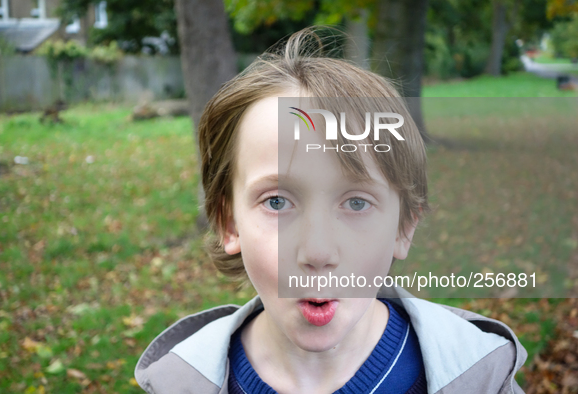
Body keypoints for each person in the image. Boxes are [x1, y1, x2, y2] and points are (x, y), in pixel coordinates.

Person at [135, 28, 527, 394]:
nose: (319, 253)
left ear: (403, 227)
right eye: (276, 202)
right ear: (228, 222)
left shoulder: (479, 378)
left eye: (356, 203)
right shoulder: (180, 383)